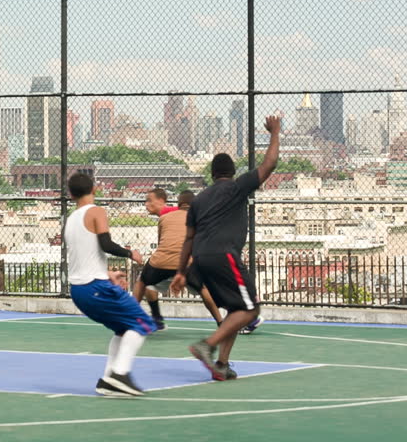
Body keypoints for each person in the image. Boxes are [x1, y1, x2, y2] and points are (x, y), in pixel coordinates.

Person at [172, 115, 281, 381]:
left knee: (234, 309)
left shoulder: (198, 199)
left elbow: (188, 238)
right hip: (224, 256)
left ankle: (221, 364)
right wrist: (275, 132)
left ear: (212, 174)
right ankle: (206, 346)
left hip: (199, 260)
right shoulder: (236, 188)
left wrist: (180, 272)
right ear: (232, 173)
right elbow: (269, 165)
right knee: (250, 310)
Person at [65, 172, 154, 397]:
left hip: (79, 290)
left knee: (123, 328)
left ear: (70, 194)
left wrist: (107, 273)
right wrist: (129, 253)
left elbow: (82, 256)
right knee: (142, 323)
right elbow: (105, 244)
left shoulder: (71, 220)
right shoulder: (96, 211)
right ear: (94, 189)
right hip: (95, 286)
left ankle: (108, 379)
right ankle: (119, 375)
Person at [135, 190, 223, 331]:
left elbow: (161, 244)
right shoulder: (199, 218)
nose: (147, 204)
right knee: (203, 289)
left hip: (162, 261)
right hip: (186, 262)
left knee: (142, 281)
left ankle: (130, 317)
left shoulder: (164, 218)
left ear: (177, 203)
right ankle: (220, 321)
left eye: (149, 200)